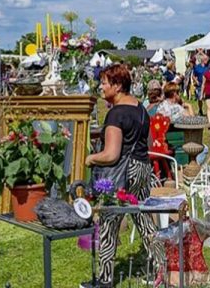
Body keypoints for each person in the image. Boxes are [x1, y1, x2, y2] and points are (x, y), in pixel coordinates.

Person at [82, 64, 156, 288]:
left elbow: (111, 154)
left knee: (108, 221)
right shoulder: (142, 109)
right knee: (144, 221)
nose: (101, 87)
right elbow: (149, 144)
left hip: (122, 174)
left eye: (104, 82)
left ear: (117, 85)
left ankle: (104, 281)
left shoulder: (116, 113)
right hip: (142, 169)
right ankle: (164, 267)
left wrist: (90, 159)